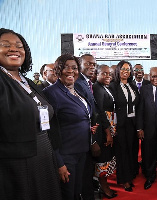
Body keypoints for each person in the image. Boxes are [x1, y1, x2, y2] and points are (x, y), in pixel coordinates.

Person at [0, 28, 61, 200]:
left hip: (43, 154)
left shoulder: (27, 81)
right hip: (16, 163)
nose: (14, 49)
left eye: (19, 46)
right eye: (5, 45)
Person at [43, 54, 94, 200]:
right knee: (67, 194)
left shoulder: (76, 90)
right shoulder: (51, 93)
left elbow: (76, 118)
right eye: (66, 67)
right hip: (66, 156)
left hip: (81, 152)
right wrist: (60, 163)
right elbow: (49, 131)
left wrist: (88, 126)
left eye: (74, 68)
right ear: (58, 70)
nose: (71, 71)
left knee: (77, 192)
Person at [110, 60, 139, 192]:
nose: (125, 72)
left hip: (132, 123)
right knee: (122, 152)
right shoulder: (113, 86)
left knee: (132, 150)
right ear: (118, 71)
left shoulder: (133, 86)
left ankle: (131, 175)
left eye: (128, 69)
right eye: (123, 69)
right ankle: (124, 179)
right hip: (120, 124)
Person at [74, 54, 99, 200]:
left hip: (90, 135)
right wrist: (93, 141)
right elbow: (84, 114)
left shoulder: (86, 82)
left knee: (88, 173)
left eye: (94, 64)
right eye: (88, 64)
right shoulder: (78, 83)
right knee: (84, 175)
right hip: (84, 138)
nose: (92, 66)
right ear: (79, 64)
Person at [93, 64, 117, 199]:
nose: (108, 76)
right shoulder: (97, 88)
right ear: (97, 74)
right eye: (104, 73)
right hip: (103, 131)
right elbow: (100, 112)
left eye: (109, 74)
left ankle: (104, 185)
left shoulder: (104, 87)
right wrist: (108, 132)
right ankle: (103, 187)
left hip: (110, 126)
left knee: (108, 157)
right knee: (103, 159)